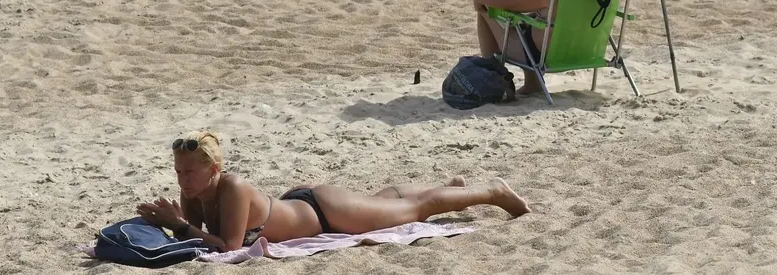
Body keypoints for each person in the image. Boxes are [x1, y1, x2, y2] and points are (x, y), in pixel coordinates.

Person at [136, 131, 531, 252]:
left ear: (214, 170)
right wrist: (170, 222)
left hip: (325, 213)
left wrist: (181, 226)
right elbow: (198, 239)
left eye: (189, 171)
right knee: (386, 201)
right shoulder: (193, 193)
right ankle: (448, 187)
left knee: (416, 210)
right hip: (306, 206)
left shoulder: (234, 187)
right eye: (179, 171)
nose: (183, 178)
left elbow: (230, 247)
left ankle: (492, 191)